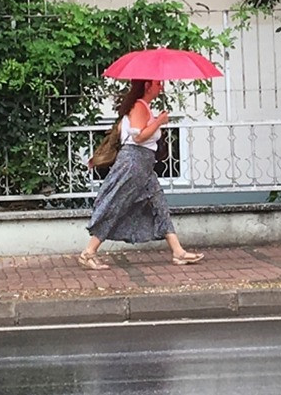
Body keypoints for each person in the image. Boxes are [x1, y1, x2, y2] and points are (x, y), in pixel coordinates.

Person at [78, 79, 205, 270]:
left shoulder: (144, 107)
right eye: (157, 83)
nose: (161, 87)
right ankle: (88, 253)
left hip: (144, 165)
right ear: (147, 85)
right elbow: (139, 136)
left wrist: (156, 121)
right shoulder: (139, 106)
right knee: (116, 204)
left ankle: (178, 252)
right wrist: (160, 122)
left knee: (159, 204)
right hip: (133, 164)